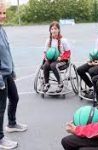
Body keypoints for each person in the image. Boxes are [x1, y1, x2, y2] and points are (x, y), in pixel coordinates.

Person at [0, 2, 27, 149]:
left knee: (14, 98)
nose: (3, 16)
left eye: (4, 13)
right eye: (0, 13)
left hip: (7, 72)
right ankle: (0, 138)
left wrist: (13, 69)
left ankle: (11, 123)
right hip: (0, 77)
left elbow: (7, 51)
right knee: (0, 108)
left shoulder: (2, 30)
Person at [43, 21, 71, 93]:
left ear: (58, 30)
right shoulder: (48, 41)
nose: (53, 30)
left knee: (53, 65)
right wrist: (45, 57)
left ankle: (60, 84)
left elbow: (68, 52)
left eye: (55, 29)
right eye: (52, 29)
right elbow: (45, 52)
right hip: (51, 60)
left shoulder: (63, 40)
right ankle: (46, 83)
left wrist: (61, 58)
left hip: (62, 61)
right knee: (46, 65)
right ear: (50, 30)